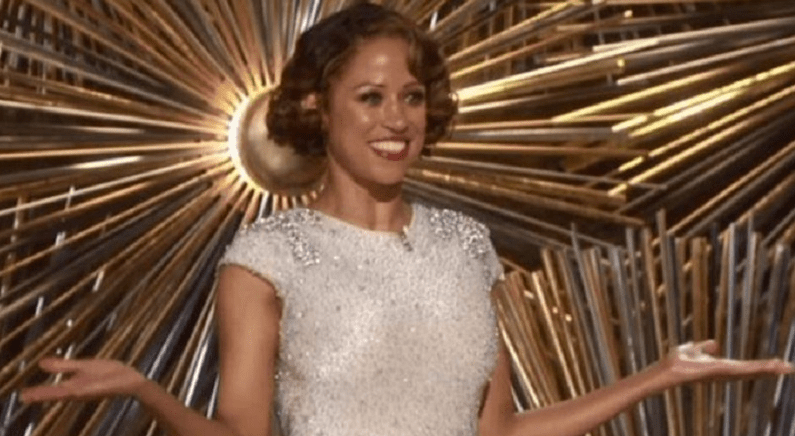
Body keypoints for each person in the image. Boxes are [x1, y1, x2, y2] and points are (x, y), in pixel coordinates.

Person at [20, 3, 794, 436]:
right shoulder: (267, 256)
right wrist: (146, 391)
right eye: (370, 97)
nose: (397, 120)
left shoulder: (465, 247)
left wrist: (658, 376)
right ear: (317, 108)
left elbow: (500, 433)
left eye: (412, 97)